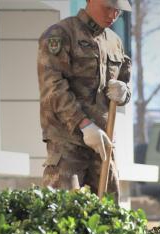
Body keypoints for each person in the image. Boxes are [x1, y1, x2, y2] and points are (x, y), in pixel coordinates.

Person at [37, 0, 132, 197]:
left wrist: (124, 93)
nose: (113, 15)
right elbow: (53, 88)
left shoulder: (115, 43)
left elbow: (122, 84)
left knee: (107, 212)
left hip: (103, 144)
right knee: (63, 209)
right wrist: (84, 124)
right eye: (108, 7)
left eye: (118, 10)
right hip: (67, 143)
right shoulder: (61, 34)